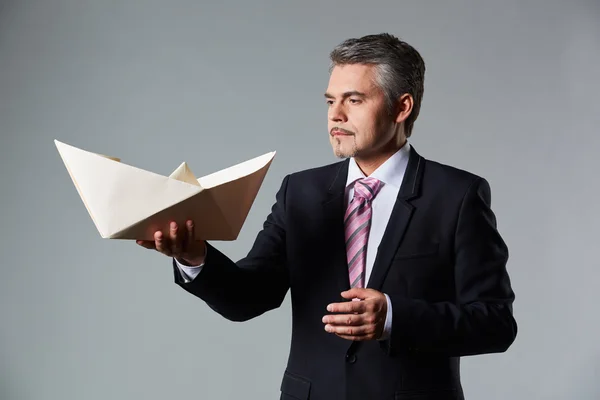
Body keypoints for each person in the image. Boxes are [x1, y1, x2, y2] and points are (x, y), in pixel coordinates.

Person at [137, 33, 517, 400]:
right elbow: (247, 298)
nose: (336, 115)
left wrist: (394, 318)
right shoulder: (299, 193)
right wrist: (193, 256)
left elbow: (495, 324)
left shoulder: (457, 195)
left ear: (402, 107)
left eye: (354, 100)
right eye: (330, 101)